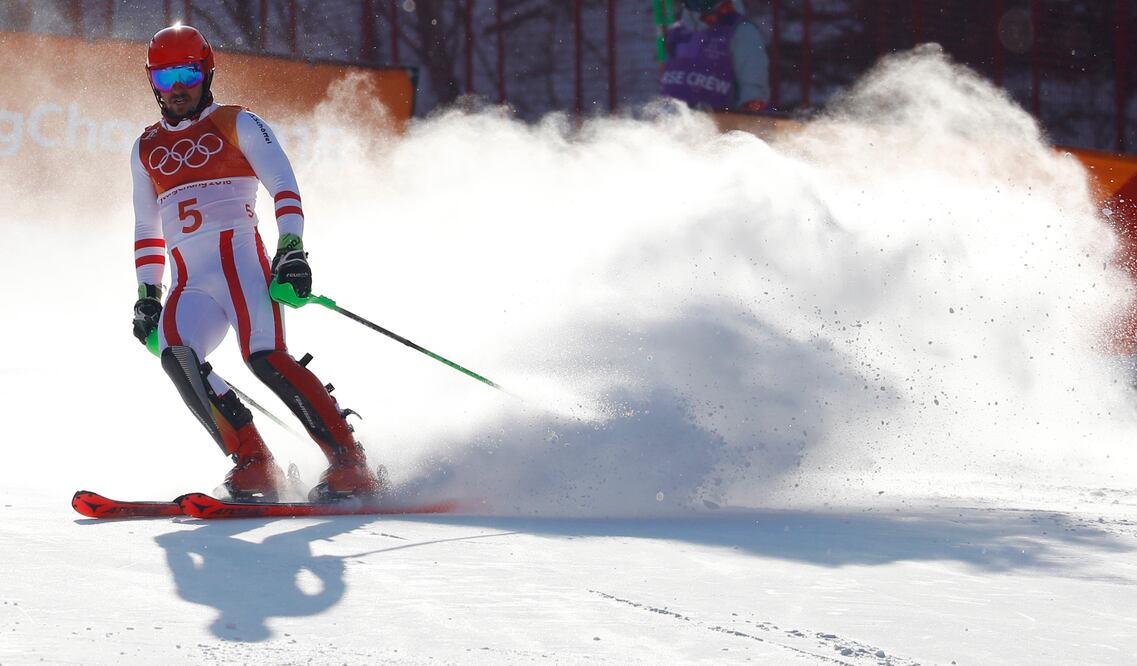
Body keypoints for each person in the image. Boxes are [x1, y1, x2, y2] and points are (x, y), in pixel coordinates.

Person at [130, 25, 381, 502]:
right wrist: (147, 296)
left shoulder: (237, 121)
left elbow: (283, 186)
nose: (178, 87)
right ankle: (254, 465)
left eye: (187, 73)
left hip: (242, 268)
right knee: (177, 356)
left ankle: (350, 462)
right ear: (152, 82)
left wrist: (291, 250)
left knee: (265, 358)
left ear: (206, 73)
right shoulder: (144, 148)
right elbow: (147, 230)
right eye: (165, 78)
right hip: (191, 284)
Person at [660, 0, 770, 113]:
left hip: (721, 125)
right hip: (671, 124)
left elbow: (753, 92)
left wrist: (750, 114)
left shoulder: (742, 31)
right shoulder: (677, 32)